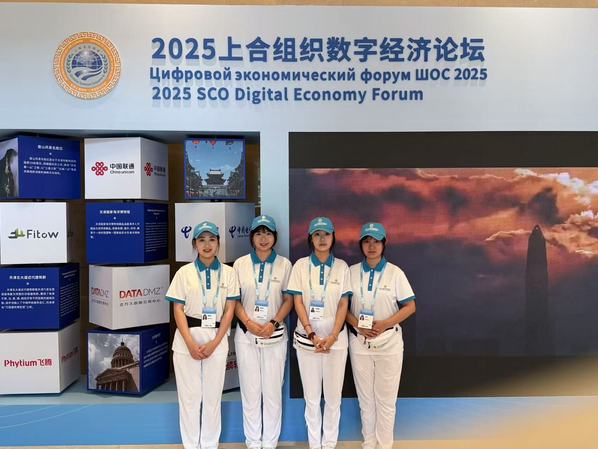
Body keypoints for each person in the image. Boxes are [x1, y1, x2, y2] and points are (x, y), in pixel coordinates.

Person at [165, 221, 240, 449]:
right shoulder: (184, 273)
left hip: (216, 340)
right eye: (201, 240)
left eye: (212, 239)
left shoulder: (229, 273)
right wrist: (190, 343)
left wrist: (215, 342)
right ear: (194, 244)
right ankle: (191, 445)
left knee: (212, 398)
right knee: (189, 398)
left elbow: (229, 311)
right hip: (186, 341)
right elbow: (178, 309)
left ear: (218, 243)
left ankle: (209, 444)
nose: (207, 245)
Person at [346, 223, 416, 449]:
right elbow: (342, 307)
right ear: (361, 245)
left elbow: (410, 306)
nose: (371, 246)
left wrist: (385, 323)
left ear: (384, 244)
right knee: (366, 399)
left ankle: (385, 445)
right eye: (367, 241)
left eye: (376, 241)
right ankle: (369, 443)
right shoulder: (351, 272)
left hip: (389, 343)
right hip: (360, 342)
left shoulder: (395, 273)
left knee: (386, 400)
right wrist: (357, 325)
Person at [287, 216, 351, 449]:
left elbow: (343, 304)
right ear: (310, 239)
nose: (322, 239)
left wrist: (332, 336)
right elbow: (298, 302)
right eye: (317, 234)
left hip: (336, 341)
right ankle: (315, 443)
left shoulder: (342, 267)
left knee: (333, 398)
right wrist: (311, 334)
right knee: (312, 399)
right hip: (308, 341)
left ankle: (329, 443)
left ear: (333, 238)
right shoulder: (300, 266)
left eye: (326, 234)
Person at [233, 214, 293, 449]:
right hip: (246, 335)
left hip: (274, 336)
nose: (263, 238)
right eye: (258, 233)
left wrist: (274, 323)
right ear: (252, 237)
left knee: (272, 393)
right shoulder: (240, 264)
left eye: (268, 233)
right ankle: (253, 442)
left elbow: (288, 299)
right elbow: (234, 300)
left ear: (275, 237)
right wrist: (248, 322)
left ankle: (269, 443)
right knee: (250, 392)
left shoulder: (284, 264)